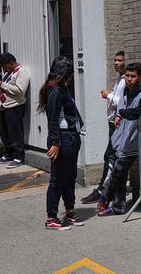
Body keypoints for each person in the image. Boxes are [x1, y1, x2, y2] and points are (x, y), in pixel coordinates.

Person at [97, 62, 141, 216]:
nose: (129, 79)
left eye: (133, 76)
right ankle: (118, 206)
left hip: (133, 141)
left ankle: (105, 199)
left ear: (139, 77)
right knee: (119, 173)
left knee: (118, 172)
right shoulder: (127, 90)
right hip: (122, 139)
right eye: (127, 76)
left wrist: (123, 113)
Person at [38, 56, 84, 230]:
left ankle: (70, 212)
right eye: (69, 72)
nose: (71, 76)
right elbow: (53, 120)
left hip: (70, 137)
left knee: (69, 177)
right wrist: (56, 143)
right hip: (62, 139)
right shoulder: (55, 91)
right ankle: (51, 218)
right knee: (58, 179)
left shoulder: (62, 88)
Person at [80, 51, 127, 204]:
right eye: (115, 60)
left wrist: (108, 95)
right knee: (112, 157)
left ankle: (103, 190)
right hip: (113, 123)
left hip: (118, 124)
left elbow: (123, 102)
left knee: (110, 157)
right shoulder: (120, 79)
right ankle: (110, 190)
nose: (116, 63)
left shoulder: (127, 80)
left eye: (119, 60)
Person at [0, 52, 30, 169]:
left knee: (15, 133)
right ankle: (7, 154)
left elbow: (20, 90)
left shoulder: (21, 72)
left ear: (11, 63)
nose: (3, 69)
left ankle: (18, 157)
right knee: (5, 133)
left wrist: (2, 85)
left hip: (15, 106)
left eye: (4, 66)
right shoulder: (10, 73)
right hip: (5, 106)